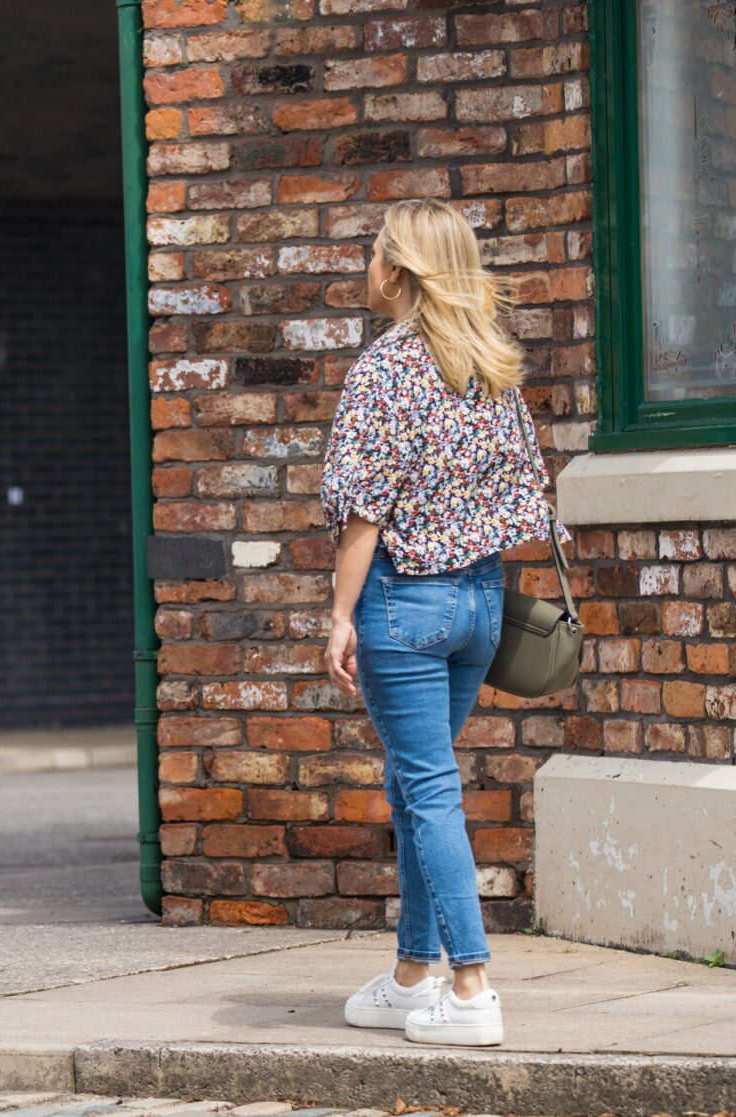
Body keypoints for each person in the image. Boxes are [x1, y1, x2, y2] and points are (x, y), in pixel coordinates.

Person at [319, 198, 564, 1047]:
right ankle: (411, 973)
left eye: (373, 247)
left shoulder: (387, 368)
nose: (366, 259)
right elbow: (526, 492)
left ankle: (470, 988)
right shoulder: (492, 366)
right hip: (481, 606)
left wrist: (340, 613)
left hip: (407, 604)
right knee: (417, 786)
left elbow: (363, 513)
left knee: (427, 791)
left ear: (398, 269)